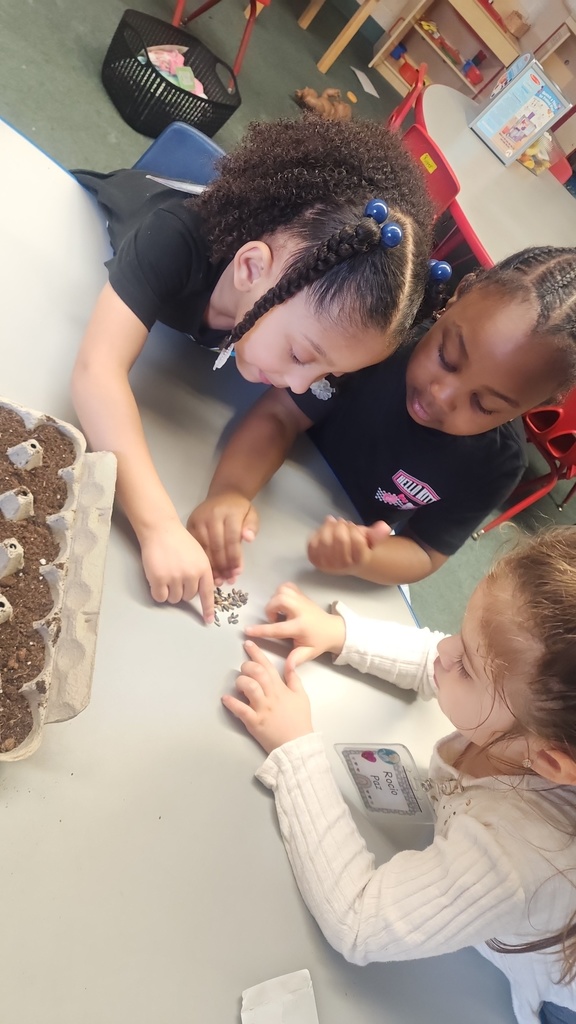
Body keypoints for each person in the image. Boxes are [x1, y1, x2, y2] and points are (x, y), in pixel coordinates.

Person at [71, 116, 434, 622]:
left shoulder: (288, 312)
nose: (302, 386)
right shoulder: (174, 237)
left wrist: (234, 492)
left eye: (328, 376)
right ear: (249, 269)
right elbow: (96, 373)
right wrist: (157, 527)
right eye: (303, 357)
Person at [223, 526, 576, 1024]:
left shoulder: (514, 858)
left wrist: (294, 748)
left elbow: (358, 921)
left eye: (468, 667)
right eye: (460, 631)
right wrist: (344, 634)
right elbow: (447, 662)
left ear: (549, 763)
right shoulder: (533, 727)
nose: (444, 650)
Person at [190, 247, 576, 587]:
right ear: (459, 294)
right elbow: (280, 414)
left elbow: (424, 552)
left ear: (536, 405)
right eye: (447, 358)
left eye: (484, 405)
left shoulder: (496, 463)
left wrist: (366, 559)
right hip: (267, 482)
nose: (442, 396)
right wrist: (232, 492)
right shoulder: (374, 345)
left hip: (314, 557)